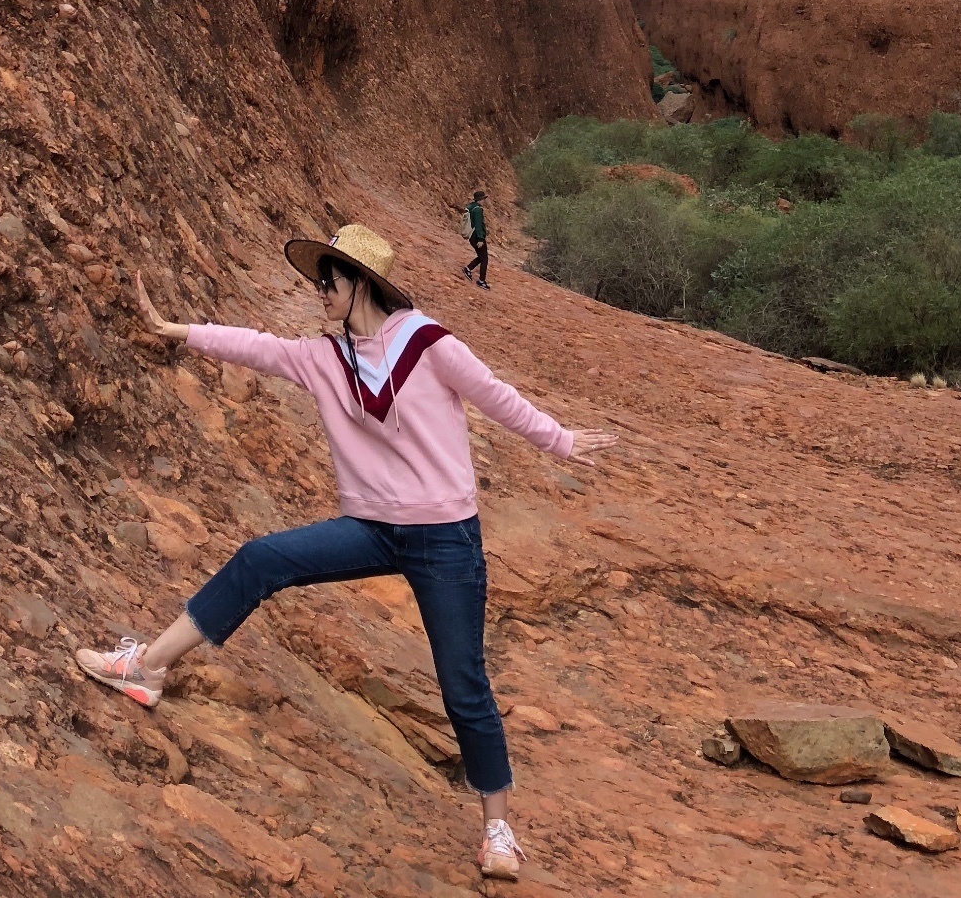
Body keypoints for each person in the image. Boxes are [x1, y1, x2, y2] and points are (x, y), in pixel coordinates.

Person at [75, 222, 614, 882]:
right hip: (373, 529)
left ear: (360, 281)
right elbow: (259, 348)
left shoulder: (427, 341)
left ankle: (498, 830)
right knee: (262, 558)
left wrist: (559, 440)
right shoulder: (327, 358)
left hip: (446, 538)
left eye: (327, 281)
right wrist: (179, 331)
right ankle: (148, 668)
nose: (318, 292)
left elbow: (493, 394)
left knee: (462, 686)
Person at [461, 188, 490, 288]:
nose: (484, 201)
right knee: (484, 259)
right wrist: (481, 239)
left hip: (471, 236)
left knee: (481, 256)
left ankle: (468, 269)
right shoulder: (478, 209)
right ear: (480, 199)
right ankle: (481, 281)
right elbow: (478, 225)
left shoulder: (471, 207)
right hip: (476, 237)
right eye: (483, 199)